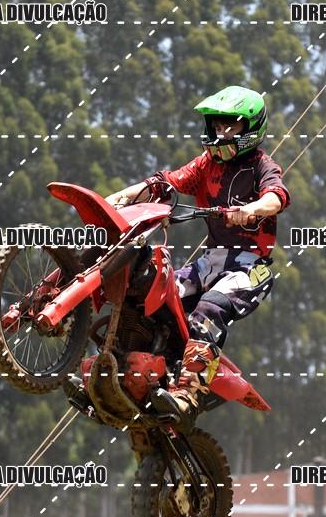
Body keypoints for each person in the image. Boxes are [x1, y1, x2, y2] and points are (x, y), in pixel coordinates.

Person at [105, 85, 290, 414]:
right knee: (153, 293)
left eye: (229, 126)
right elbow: (166, 182)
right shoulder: (207, 164)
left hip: (249, 267)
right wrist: (120, 197)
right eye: (217, 125)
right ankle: (120, 371)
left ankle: (188, 394)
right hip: (209, 263)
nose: (221, 133)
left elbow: (277, 196)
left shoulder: (262, 165)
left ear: (251, 127)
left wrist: (253, 209)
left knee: (210, 309)